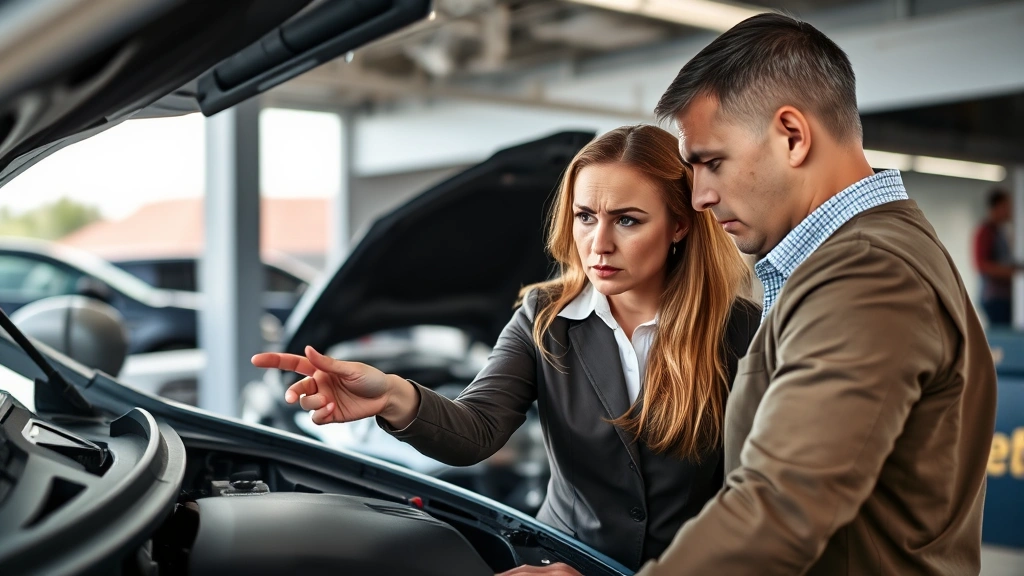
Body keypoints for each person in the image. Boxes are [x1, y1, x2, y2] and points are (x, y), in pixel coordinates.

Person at [504, 12, 999, 576]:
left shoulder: (865, 274)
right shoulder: (867, 253)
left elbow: (778, 508)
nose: (699, 198)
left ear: (792, 135)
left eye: (711, 163)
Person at [252, 125, 761, 571]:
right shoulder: (544, 318)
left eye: (627, 220)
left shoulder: (743, 332)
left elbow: (757, 496)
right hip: (562, 560)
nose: (599, 243)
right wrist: (391, 395)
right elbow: (477, 429)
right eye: (585, 216)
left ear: (680, 225)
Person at [974, 187, 1017, 326]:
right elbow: (982, 265)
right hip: (994, 297)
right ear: (997, 207)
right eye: (1006, 206)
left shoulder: (1000, 232)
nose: (1010, 210)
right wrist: (1011, 273)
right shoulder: (985, 231)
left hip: (1005, 296)